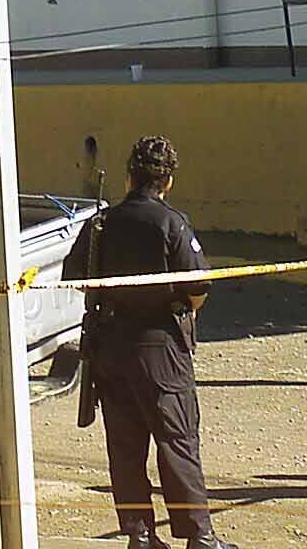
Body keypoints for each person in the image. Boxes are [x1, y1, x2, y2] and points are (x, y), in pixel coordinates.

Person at [65, 136, 237, 549]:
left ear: (129, 177)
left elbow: (75, 278)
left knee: (125, 448)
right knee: (177, 441)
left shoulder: (101, 224)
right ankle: (199, 537)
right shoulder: (171, 222)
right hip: (160, 349)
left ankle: (141, 537)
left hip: (111, 347)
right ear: (168, 181)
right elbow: (199, 286)